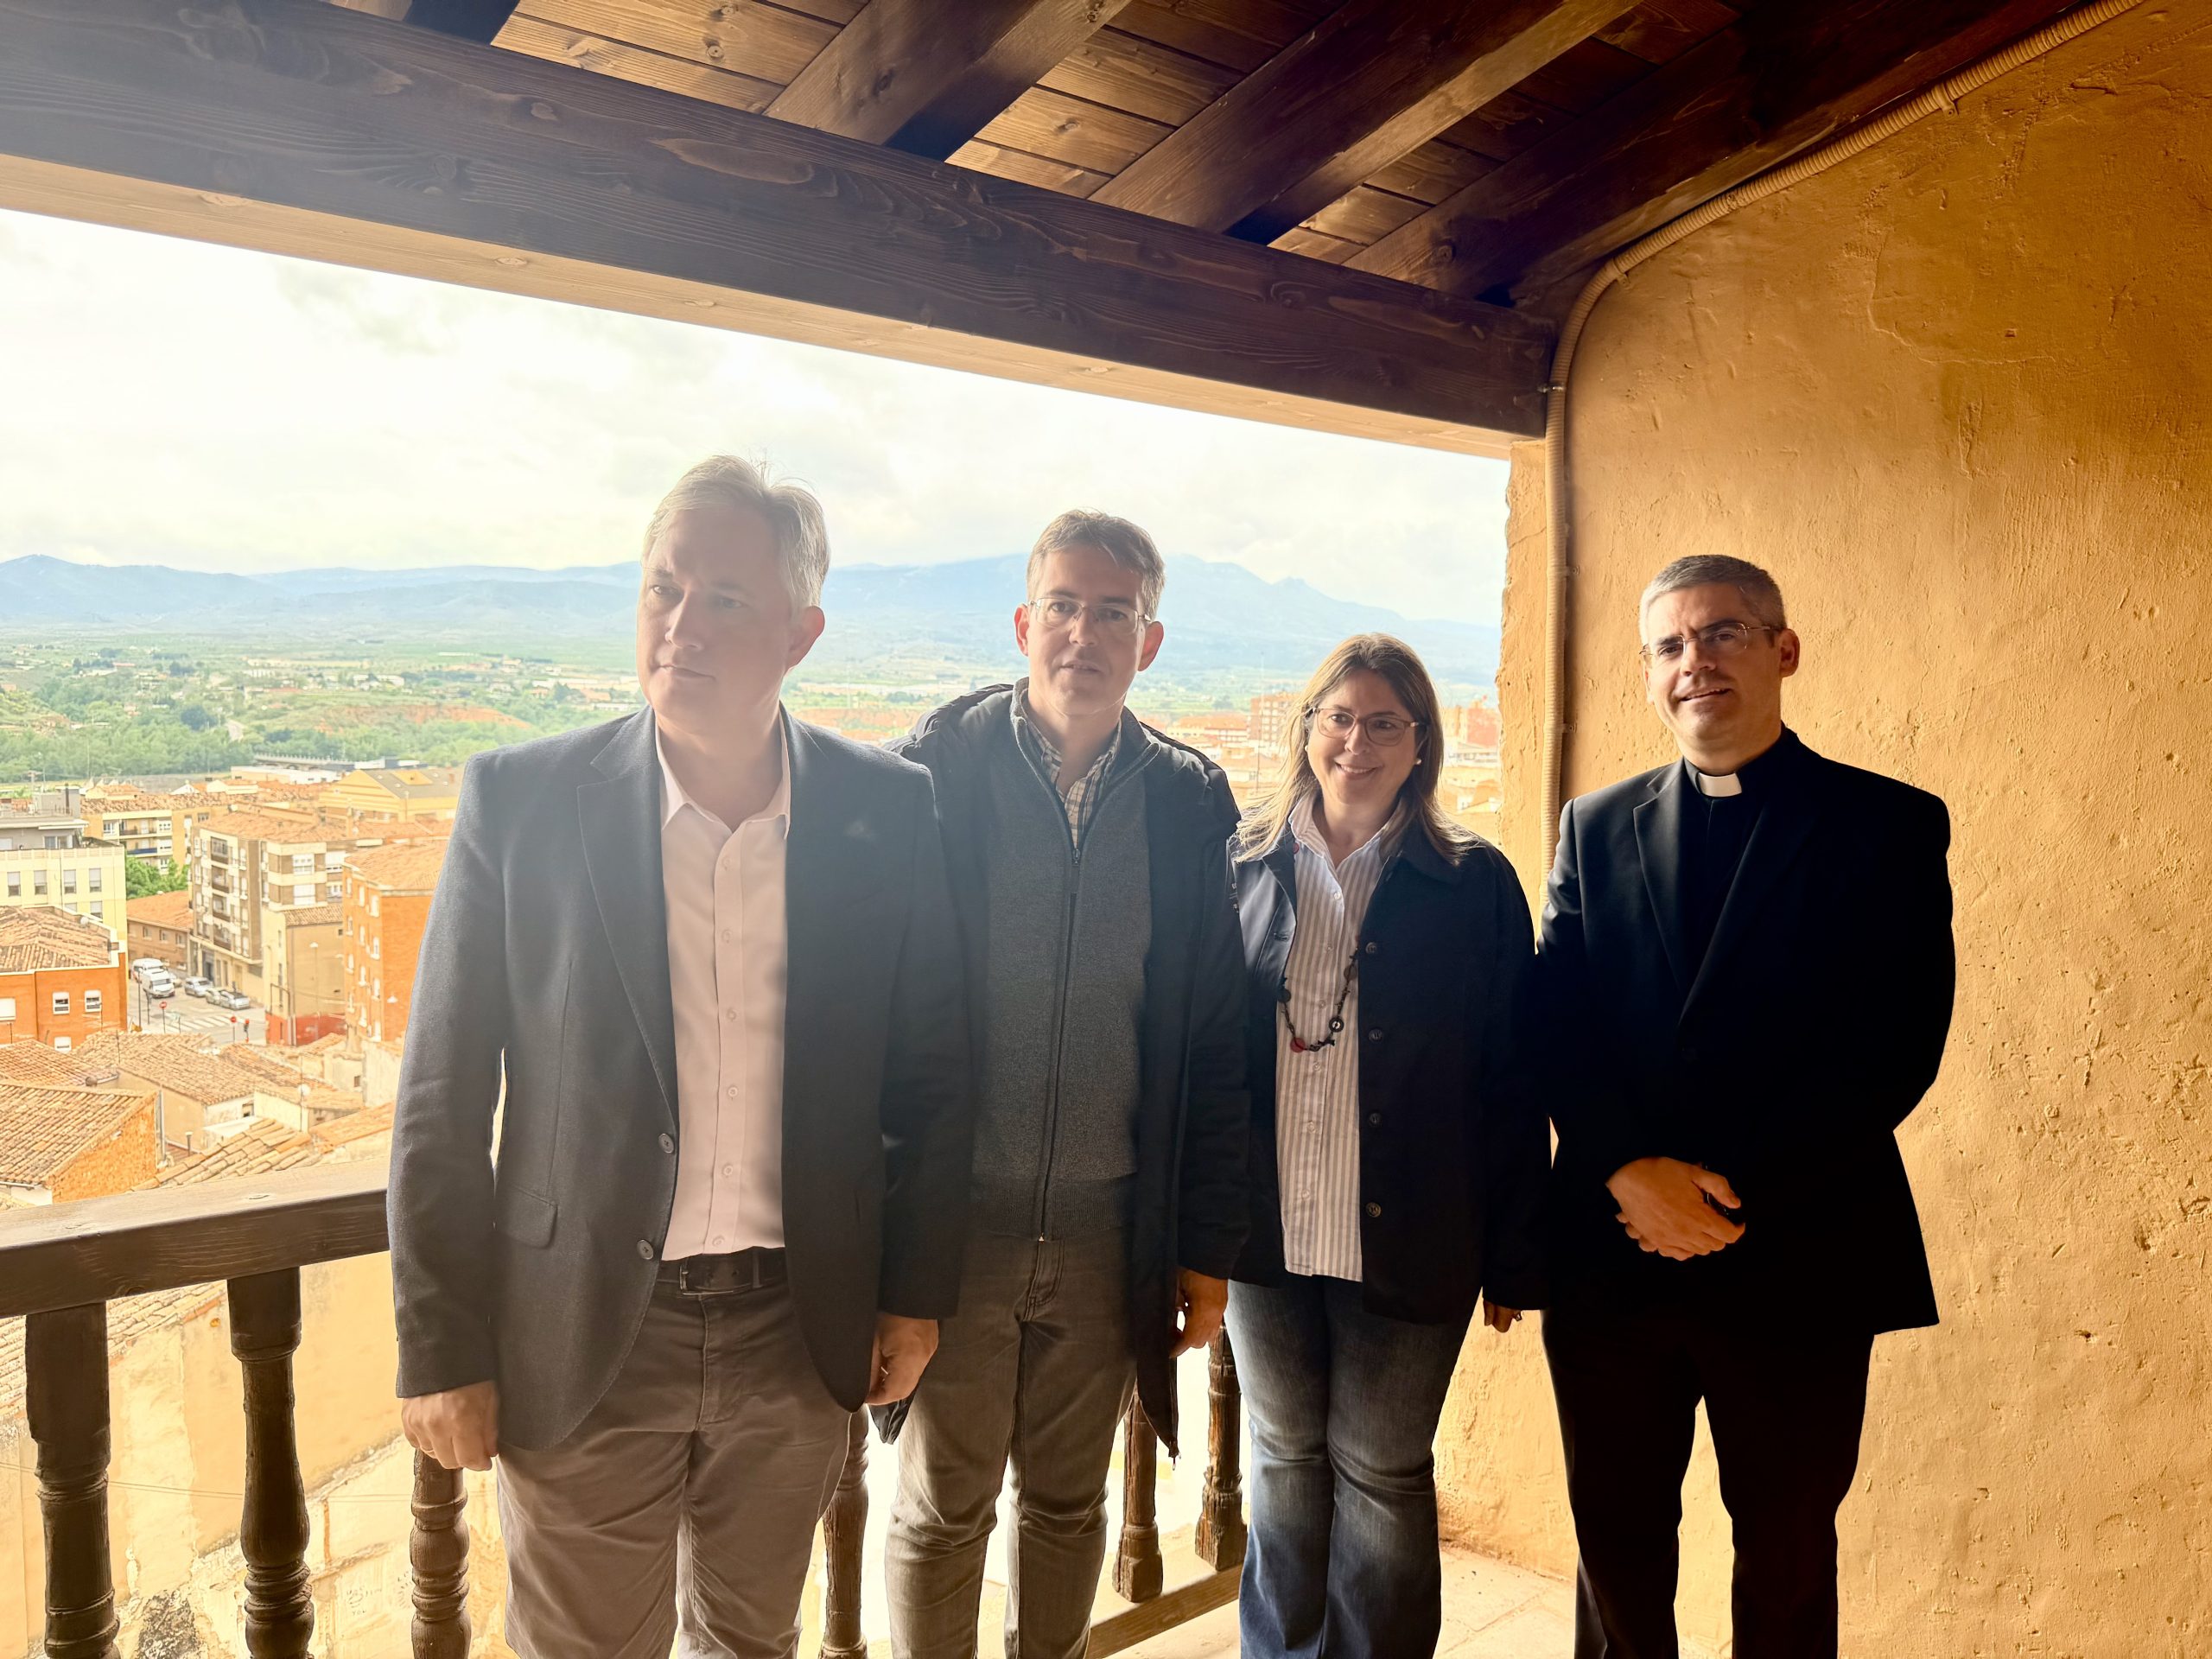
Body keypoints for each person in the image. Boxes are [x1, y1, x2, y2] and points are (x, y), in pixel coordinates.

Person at [387, 455, 972, 1659]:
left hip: (796, 1329)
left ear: (800, 634)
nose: (681, 625)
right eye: (664, 588)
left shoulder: (884, 809)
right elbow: (442, 1097)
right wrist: (440, 1346)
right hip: (586, 1333)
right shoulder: (521, 802)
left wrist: (913, 1297)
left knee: (753, 1642)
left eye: (727, 599)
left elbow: (930, 1079)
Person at [1539, 554, 1955, 1659]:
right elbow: (1556, 1019)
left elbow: (1895, 1046)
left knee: (1786, 1552)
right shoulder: (1592, 825)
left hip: (1798, 1251)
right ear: (1649, 673)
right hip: (1613, 1250)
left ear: (1784, 650)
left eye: (1722, 632)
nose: (1695, 662)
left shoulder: (1888, 825)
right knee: (1614, 1546)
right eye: (1669, 645)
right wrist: (1628, 1171)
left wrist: (1719, 1196)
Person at [880, 509, 1249, 1659]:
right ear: (1023, 623)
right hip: (958, 1230)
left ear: (1149, 641)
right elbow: (875, 1018)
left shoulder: (1188, 802)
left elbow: (1213, 1040)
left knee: (1067, 1504)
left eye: (1114, 613)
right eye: (1064, 607)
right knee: (941, 1510)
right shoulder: (933, 773)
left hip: (1108, 1233)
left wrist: (1201, 1250)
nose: (1084, 633)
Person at [1226, 633, 1548, 1659]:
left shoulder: (1472, 883)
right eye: (1337, 718)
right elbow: (1198, 1053)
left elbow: (1511, 1074)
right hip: (1263, 1233)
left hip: (1413, 1232)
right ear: (1305, 729)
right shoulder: (1242, 864)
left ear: (1420, 745)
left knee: (1380, 1470)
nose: (1355, 743)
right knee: (1282, 1458)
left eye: (1383, 723)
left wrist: (1514, 1254)